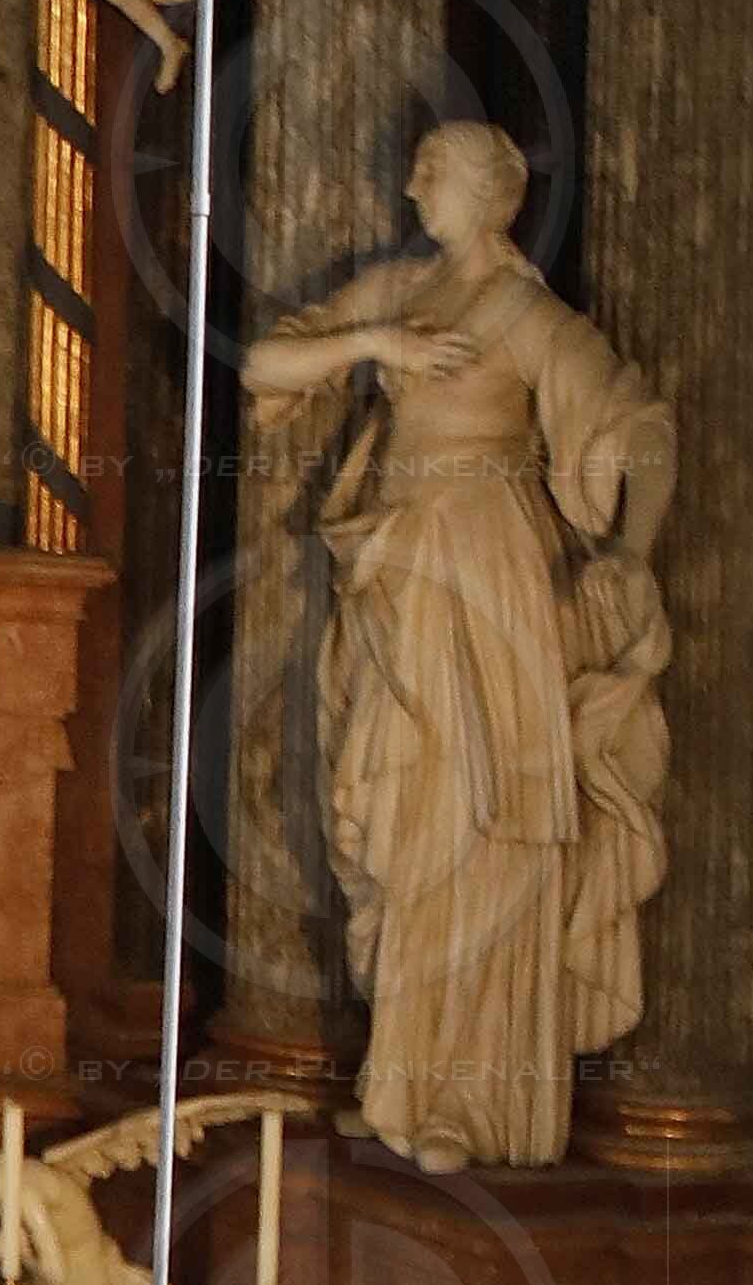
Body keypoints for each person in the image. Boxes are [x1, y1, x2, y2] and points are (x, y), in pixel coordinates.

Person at [237, 111, 674, 1175]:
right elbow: (261, 364)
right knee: (398, 815)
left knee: (481, 823)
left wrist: (630, 552)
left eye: (430, 172)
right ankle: (401, 1082)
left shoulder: (525, 314)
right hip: (395, 569)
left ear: (487, 193)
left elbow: (642, 432)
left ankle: (470, 1107)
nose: (412, 189)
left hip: (487, 576)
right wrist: (374, 344)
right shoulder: (398, 291)